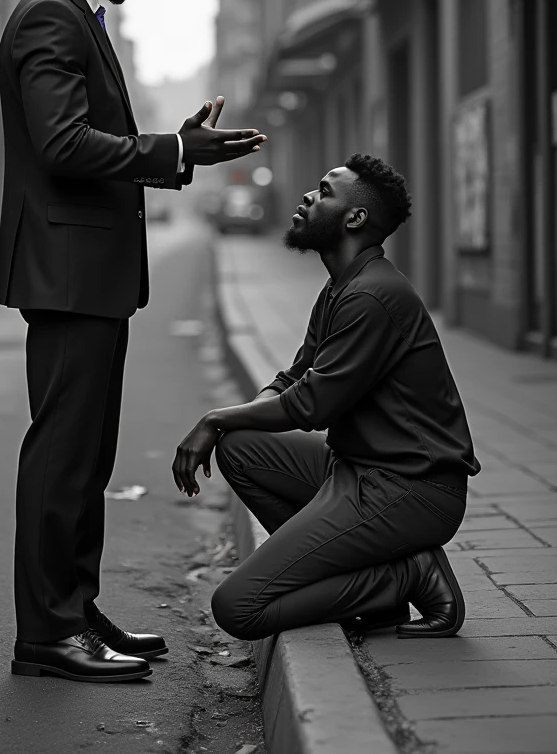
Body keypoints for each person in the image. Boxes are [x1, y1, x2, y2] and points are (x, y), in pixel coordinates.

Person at [0, 0, 267, 684]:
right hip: (68, 273)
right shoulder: (50, 13)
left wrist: (173, 145)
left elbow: (85, 135)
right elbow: (62, 144)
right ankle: (47, 634)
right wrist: (172, 156)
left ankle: (73, 612)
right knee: (62, 457)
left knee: (87, 457)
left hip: (88, 275)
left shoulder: (74, 13)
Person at [173, 153, 480, 642]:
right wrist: (234, 423)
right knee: (240, 447)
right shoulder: (343, 286)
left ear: (354, 218)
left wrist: (215, 417)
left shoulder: (371, 296)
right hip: (357, 470)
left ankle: (407, 575)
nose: (308, 197)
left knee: (238, 607)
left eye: (324, 191)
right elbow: (292, 377)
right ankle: (356, 576)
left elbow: (311, 405)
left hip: (412, 491)